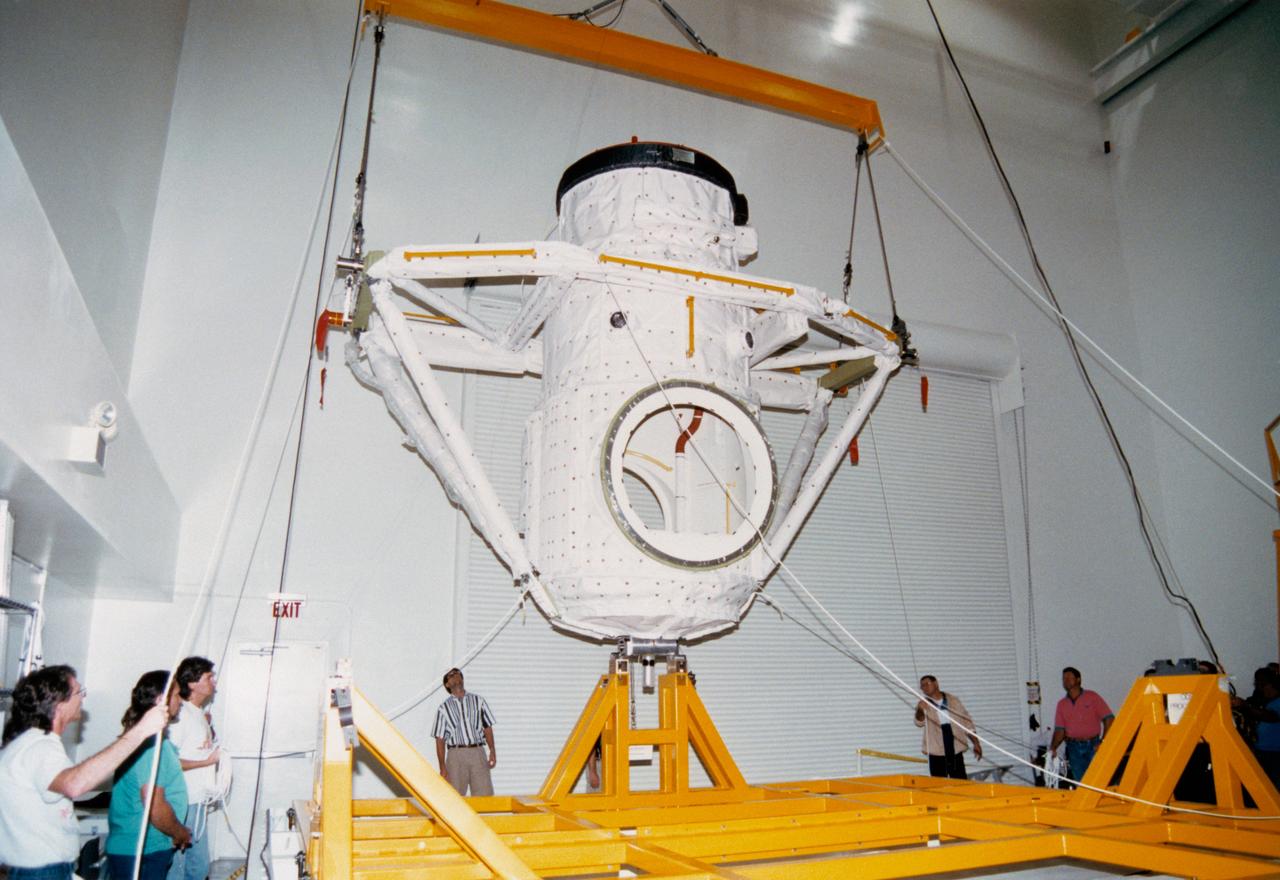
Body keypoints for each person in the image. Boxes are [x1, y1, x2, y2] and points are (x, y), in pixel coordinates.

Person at [0, 665, 169, 880]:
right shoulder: (39, 747)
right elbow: (74, 784)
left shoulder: (32, 742)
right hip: (42, 872)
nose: (82, 698)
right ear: (59, 703)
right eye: (79, 692)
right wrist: (141, 730)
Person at [105, 671, 192, 880]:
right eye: (177, 695)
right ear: (161, 700)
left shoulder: (140, 737)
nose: (181, 701)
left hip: (140, 848)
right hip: (143, 851)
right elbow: (154, 806)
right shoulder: (150, 744)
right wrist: (179, 832)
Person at [166, 657, 221, 880]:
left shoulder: (198, 713)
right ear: (192, 683)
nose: (214, 682)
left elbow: (195, 747)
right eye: (208, 677)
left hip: (197, 800)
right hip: (183, 802)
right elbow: (169, 762)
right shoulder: (181, 716)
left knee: (198, 868)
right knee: (180, 869)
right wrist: (206, 762)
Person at [433, 667, 496, 796]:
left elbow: (487, 727)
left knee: (484, 796)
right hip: (456, 755)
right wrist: (442, 767)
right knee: (454, 797)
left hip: (477, 752)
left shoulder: (479, 701)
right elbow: (440, 739)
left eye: (457, 673)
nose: (455, 675)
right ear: (447, 684)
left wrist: (492, 750)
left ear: (462, 678)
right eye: (451, 675)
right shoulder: (443, 709)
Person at [1049, 666, 1114, 783]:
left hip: (1093, 746)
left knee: (1098, 780)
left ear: (1078, 679)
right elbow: (1060, 730)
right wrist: (1052, 748)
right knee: (1081, 783)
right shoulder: (1062, 704)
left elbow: (1109, 719)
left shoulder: (1092, 697)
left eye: (1069, 677)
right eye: (1064, 678)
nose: (1066, 680)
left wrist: (1104, 742)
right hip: (1073, 749)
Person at [913, 675, 982, 779]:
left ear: (936, 683)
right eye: (922, 686)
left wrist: (976, 743)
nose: (924, 687)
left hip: (955, 748)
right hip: (936, 752)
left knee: (960, 781)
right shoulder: (923, 703)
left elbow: (967, 723)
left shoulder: (953, 700)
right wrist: (920, 710)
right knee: (938, 784)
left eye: (927, 684)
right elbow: (919, 722)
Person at [1232, 669, 1280, 788]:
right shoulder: (1265, 701)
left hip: (1275, 755)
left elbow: (1271, 717)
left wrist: (1245, 705)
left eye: (1261, 684)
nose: (1259, 687)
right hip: (1262, 752)